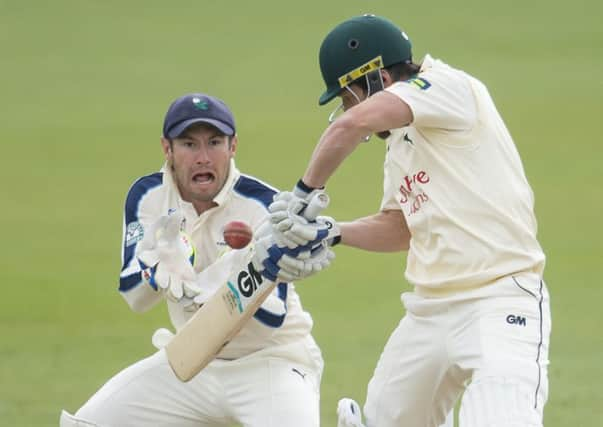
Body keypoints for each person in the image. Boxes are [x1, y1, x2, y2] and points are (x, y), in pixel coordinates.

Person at [269, 14, 551, 427]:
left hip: (501, 297)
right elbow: (400, 227)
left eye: (348, 96)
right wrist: (332, 232)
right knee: (387, 419)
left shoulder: (450, 87)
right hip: (430, 310)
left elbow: (352, 124)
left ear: (378, 78)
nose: (348, 109)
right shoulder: (400, 142)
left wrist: (302, 196)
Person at [59, 93, 330, 427]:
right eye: (189, 144)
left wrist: (217, 281)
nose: (203, 157)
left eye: (214, 142)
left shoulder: (264, 205)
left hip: (270, 362)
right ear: (167, 149)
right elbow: (134, 298)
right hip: (191, 360)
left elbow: (270, 320)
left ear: (233, 146)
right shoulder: (148, 195)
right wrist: (157, 270)